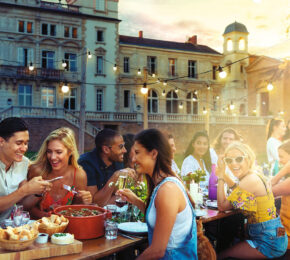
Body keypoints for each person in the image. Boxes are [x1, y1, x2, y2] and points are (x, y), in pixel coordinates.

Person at [117, 129, 197, 259]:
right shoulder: (164, 183)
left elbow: (157, 251)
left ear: (154, 153)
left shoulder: (168, 190)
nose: (133, 158)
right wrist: (136, 200)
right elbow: (160, 217)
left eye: (137, 153)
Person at [217, 141, 287, 259]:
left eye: (239, 159)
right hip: (275, 236)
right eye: (229, 160)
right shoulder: (256, 175)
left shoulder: (250, 180)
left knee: (221, 255)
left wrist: (220, 177)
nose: (233, 163)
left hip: (268, 243)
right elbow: (238, 190)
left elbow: (222, 206)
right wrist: (224, 175)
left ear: (248, 159)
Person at [27, 127, 92, 219]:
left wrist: (83, 200)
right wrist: (48, 218)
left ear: (70, 152)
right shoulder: (37, 171)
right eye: (49, 151)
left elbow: (77, 209)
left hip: (66, 229)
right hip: (38, 226)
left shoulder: (78, 175)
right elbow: (26, 207)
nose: (53, 157)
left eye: (58, 152)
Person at [0, 117, 51, 221]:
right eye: (19, 143)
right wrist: (24, 190)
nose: (24, 149)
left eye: (26, 143)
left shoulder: (24, 163)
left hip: (11, 230)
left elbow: (22, 206)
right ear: (1, 141)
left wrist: (37, 192)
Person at [78, 128, 136, 206]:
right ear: (106, 149)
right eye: (121, 147)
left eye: (124, 146)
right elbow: (94, 203)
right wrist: (115, 177)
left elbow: (120, 195)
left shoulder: (117, 161)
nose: (125, 150)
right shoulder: (86, 163)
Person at [271, 139, 290, 250]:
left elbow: (267, 192)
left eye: (282, 156)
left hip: (287, 237)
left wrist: (284, 170)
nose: (279, 160)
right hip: (284, 231)